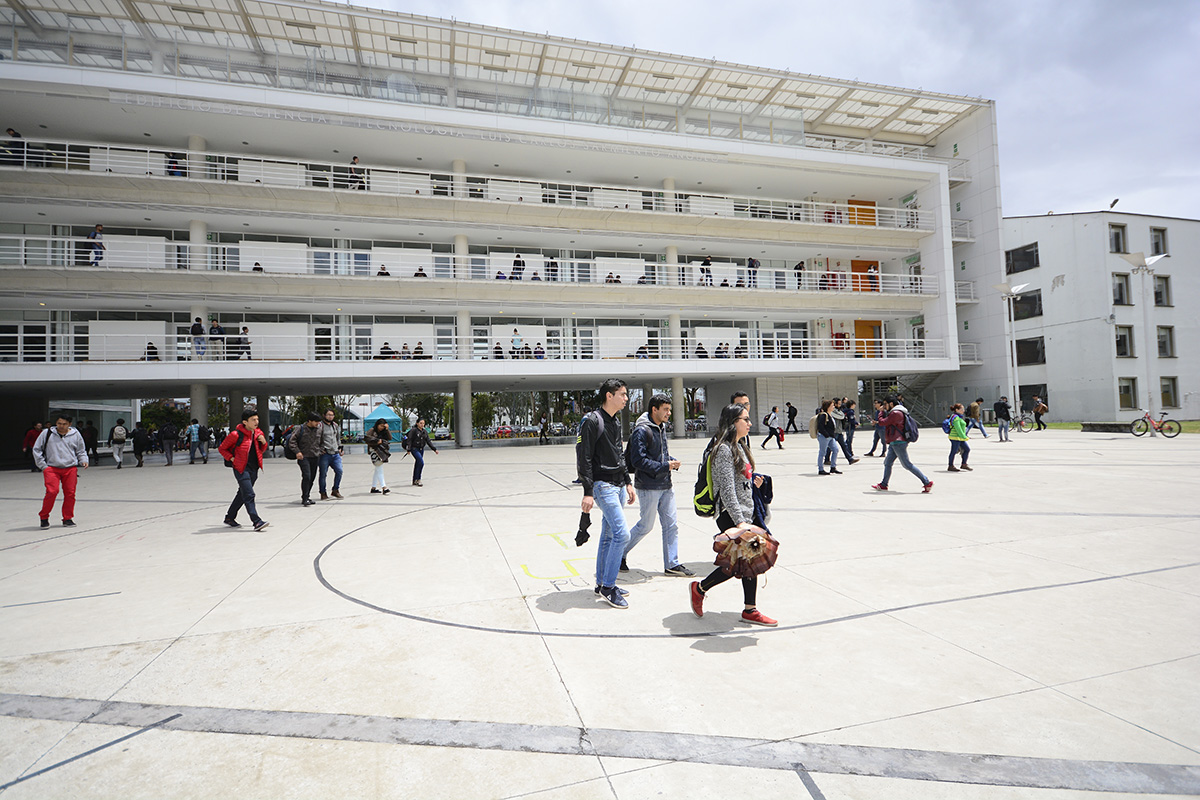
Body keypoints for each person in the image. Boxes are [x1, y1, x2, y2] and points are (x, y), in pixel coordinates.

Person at [689, 403, 777, 626]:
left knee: (749, 560)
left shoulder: (741, 447)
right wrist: (740, 523)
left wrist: (755, 483)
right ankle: (700, 589)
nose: (749, 423)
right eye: (744, 419)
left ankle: (749, 609)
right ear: (732, 423)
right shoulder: (724, 450)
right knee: (739, 562)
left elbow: (740, 482)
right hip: (731, 515)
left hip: (747, 513)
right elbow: (727, 490)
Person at [576, 378, 635, 609]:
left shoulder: (615, 422)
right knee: (622, 535)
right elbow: (584, 457)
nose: (626, 398)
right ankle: (609, 587)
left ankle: (602, 583)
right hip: (603, 486)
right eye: (622, 394)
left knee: (609, 536)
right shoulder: (592, 421)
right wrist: (588, 491)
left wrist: (628, 482)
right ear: (609, 396)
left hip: (618, 485)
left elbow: (619, 455)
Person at [621, 394, 693, 577]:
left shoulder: (661, 428)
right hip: (648, 487)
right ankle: (619, 553)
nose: (669, 413)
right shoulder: (641, 431)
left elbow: (658, 456)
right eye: (666, 409)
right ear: (654, 410)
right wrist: (665, 465)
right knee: (645, 526)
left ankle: (672, 564)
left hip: (666, 485)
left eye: (669, 409)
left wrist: (670, 461)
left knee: (671, 525)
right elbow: (638, 461)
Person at [218, 408, 270, 530]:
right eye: (253, 420)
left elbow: (261, 451)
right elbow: (222, 448)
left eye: (257, 419)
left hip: (254, 468)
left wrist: (264, 443)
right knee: (249, 494)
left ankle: (229, 517)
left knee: (242, 494)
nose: (256, 422)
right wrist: (231, 458)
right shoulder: (235, 435)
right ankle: (256, 521)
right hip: (241, 468)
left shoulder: (258, 433)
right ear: (245, 422)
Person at [33, 415, 88, 528]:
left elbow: (81, 450)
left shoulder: (75, 434)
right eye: (59, 423)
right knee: (52, 492)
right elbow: (37, 449)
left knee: (70, 493)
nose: (61, 426)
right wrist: (43, 466)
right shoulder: (46, 433)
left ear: (69, 424)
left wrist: (83, 460)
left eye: (64, 424)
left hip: (70, 468)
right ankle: (44, 516)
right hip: (52, 468)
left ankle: (67, 518)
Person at [872, 396, 933, 493]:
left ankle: (926, 482)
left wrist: (881, 412)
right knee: (887, 463)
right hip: (895, 441)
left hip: (898, 442)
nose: (884, 406)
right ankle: (884, 484)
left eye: (885, 404)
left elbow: (883, 422)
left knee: (907, 465)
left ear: (891, 404)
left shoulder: (896, 413)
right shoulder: (899, 411)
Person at [287, 412, 322, 505]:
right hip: (304, 456)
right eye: (315, 422)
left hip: (315, 456)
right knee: (307, 476)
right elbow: (292, 441)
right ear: (309, 421)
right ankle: (305, 497)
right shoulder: (300, 429)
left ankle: (307, 496)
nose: (317, 424)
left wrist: (321, 450)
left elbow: (322, 441)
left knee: (312, 477)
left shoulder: (319, 429)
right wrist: (297, 451)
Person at [317, 408, 344, 500]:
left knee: (339, 471)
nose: (330, 416)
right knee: (323, 474)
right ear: (324, 415)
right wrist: (320, 449)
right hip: (325, 454)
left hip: (335, 453)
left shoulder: (335, 425)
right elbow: (316, 439)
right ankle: (323, 492)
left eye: (332, 415)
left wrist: (340, 447)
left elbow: (338, 438)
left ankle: (335, 490)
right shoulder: (320, 426)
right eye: (328, 415)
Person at [404, 418, 438, 487]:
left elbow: (428, 441)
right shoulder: (413, 430)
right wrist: (408, 449)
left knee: (418, 464)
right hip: (414, 448)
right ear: (417, 423)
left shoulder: (424, 431)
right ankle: (418, 479)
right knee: (421, 462)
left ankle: (415, 479)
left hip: (421, 449)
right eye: (420, 423)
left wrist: (434, 449)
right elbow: (409, 440)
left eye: (423, 423)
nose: (422, 425)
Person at [364, 418, 393, 494]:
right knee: (379, 467)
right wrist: (377, 442)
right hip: (374, 450)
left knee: (378, 468)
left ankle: (373, 487)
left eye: (383, 426)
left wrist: (387, 429)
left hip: (381, 451)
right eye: (380, 426)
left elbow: (390, 438)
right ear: (377, 425)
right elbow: (367, 440)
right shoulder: (372, 430)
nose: (381, 427)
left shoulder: (384, 431)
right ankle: (384, 487)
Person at [815, 400, 841, 476]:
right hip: (824, 437)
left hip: (831, 437)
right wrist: (826, 435)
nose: (833, 407)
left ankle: (833, 467)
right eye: (832, 405)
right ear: (828, 407)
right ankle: (821, 469)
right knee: (822, 452)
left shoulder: (830, 415)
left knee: (835, 449)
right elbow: (820, 427)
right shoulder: (823, 415)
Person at [946, 403, 972, 472]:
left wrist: (963, 437)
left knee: (967, 449)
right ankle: (950, 466)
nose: (963, 410)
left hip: (959, 437)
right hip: (955, 437)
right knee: (953, 451)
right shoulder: (956, 418)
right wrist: (964, 437)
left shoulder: (959, 417)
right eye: (962, 409)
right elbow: (958, 429)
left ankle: (964, 464)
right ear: (957, 410)